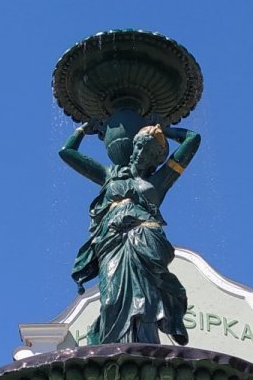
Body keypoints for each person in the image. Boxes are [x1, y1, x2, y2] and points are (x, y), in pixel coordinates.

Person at [59, 117, 200, 345]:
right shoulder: (110, 175)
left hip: (146, 240)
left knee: (146, 301)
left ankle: (145, 348)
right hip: (112, 241)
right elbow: (67, 152)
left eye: (146, 150)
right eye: (137, 146)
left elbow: (193, 139)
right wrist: (83, 129)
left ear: (156, 157)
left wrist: (166, 129)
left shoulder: (161, 180)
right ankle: (114, 350)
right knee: (111, 300)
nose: (138, 153)